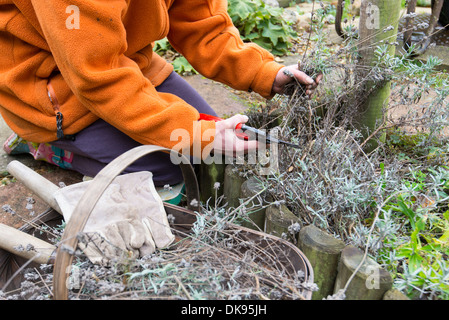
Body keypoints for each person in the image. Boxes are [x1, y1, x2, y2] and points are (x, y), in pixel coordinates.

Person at [0, 0, 320, 187]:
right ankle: (44, 142)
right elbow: (99, 75)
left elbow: (201, 22)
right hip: (47, 87)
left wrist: (264, 72)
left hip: (125, 61)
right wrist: (196, 135)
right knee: (172, 167)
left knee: (208, 147)